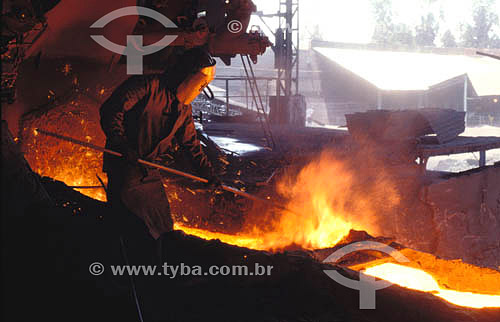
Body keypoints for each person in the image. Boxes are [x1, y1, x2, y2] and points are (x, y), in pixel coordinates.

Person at [100, 48, 220, 240]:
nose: (199, 90)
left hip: (149, 172)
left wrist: (207, 173)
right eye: (200, 84)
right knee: (135, 229)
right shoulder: (147, 86)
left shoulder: (183, 108)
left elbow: (190, 143)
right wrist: (121, 144)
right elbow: (112, 110)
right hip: (126, 168)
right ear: (187, 75)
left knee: (163, 228)